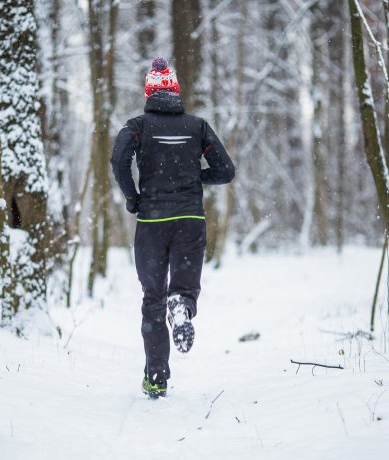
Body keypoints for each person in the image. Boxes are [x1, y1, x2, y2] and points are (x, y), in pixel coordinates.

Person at [110, 57, 235, 399]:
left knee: (152, 299)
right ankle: (180, 306)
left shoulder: (137, 126)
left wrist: (133, 196)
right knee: (181, 290)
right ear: (176, 91)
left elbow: (118, 159)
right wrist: (196, 176)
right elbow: (225, 170)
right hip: (189, 220)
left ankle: (156, 378)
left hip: (152, 222)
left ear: (149, 92)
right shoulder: (197, 127)